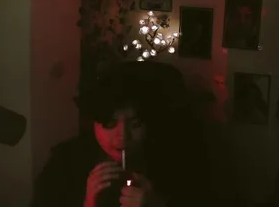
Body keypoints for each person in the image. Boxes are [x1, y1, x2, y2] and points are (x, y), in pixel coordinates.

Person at [31, 61, 209, 207]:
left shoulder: (175, 161)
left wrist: (158, 204)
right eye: (110, 123)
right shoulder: (65, 163)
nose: (123, 136)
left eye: (135, 124)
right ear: (94, 123)